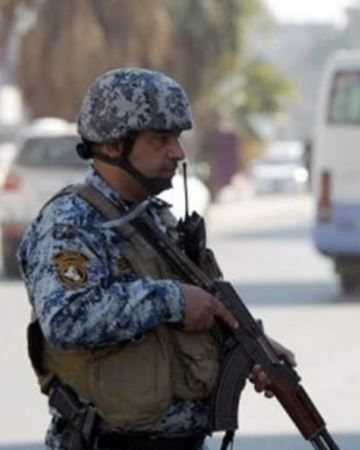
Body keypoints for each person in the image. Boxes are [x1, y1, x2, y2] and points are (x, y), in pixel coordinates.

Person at [19, 67, 292, 450]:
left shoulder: (152, 218)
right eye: (162, 139)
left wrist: (251, 346)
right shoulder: (72, 222)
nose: (178, 152)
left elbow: (200, 310)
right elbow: (67, 318)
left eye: (177, 138)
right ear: (113, 145)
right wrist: (171, 300)